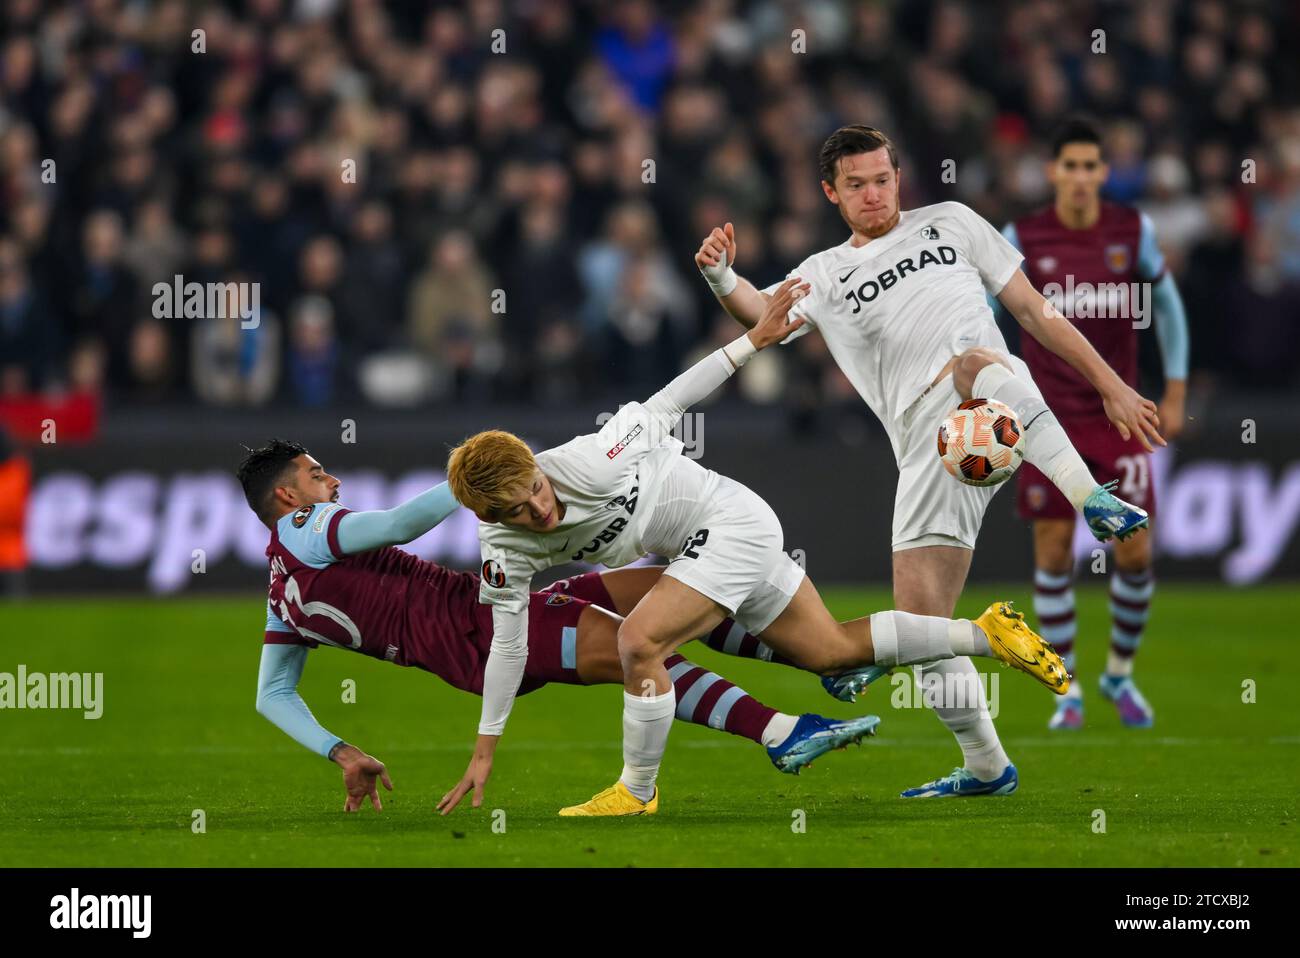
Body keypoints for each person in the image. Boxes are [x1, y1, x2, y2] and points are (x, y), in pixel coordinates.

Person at [443, 281, 1067, 818]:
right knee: (832, 653)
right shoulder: (503, 544)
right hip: (715, 541)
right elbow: (510, 641)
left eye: (536, 491)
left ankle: (636, 792)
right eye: (519, 512)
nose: (539, 511)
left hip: (729, 522)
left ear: (535, 467)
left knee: (638, 642)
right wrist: (483, 747)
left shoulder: (590, 460)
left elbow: (670, 399)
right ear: (488, 516)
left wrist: (754, 340)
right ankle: (986, 637)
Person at [694, 125, 1160, 797]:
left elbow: (1035, 311)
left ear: (897, 176)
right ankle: (987, 767)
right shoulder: (824, 273)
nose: (874, 194)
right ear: (831, 192)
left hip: (984, 406)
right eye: (856, 185)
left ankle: (1091, 495)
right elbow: (762, 316)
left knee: (977, 359)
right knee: (922, 628)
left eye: (883, 178)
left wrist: (1111, 385)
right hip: (926, 450)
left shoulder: (953, 223)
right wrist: (720, 275)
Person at [237, 439, 885, 812]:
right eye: (317, 474)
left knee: (649, 592)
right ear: (287, 499)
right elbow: (401, 525)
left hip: (470, 633)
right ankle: (780, 731)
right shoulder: (305, 527)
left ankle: (822, 659)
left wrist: (341, 752)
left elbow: (271, 696)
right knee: (644, 646)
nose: (333, 480)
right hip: (483, 631)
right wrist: (479, 478)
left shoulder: (280, 592)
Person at [998, 117, 1190, 729]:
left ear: (1103, 173)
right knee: (1054, 554)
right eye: (1069, 165)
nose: (1080, 177)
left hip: (1121, 417)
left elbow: (1168, 306)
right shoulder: (1021, 235)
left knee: (1134, 554)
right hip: (1047, 420)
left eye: (1090, 166)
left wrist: (1177, 388)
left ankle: (1119, 674)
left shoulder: (1131, 231)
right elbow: (982, 316)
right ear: (1053, 171)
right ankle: (1070, 689)